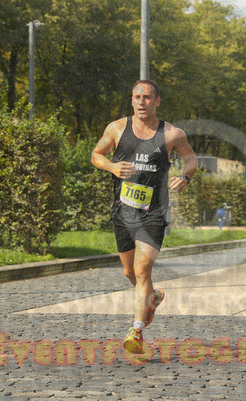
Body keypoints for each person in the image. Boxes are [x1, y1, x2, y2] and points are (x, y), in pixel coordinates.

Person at [91, 80, 198, 354]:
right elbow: (96, 155)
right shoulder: (117, 128)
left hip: (154, 213)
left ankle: (136, 331)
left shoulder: (172, 134)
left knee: (142, 269)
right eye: (137, 97)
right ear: (131, 100)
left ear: (157, 101)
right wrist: (112, 167)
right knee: (130, 272)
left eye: (148, 97)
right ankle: (153, 297)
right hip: (123, 211)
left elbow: (191, 159)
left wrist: (185, 177)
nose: (142, 102)